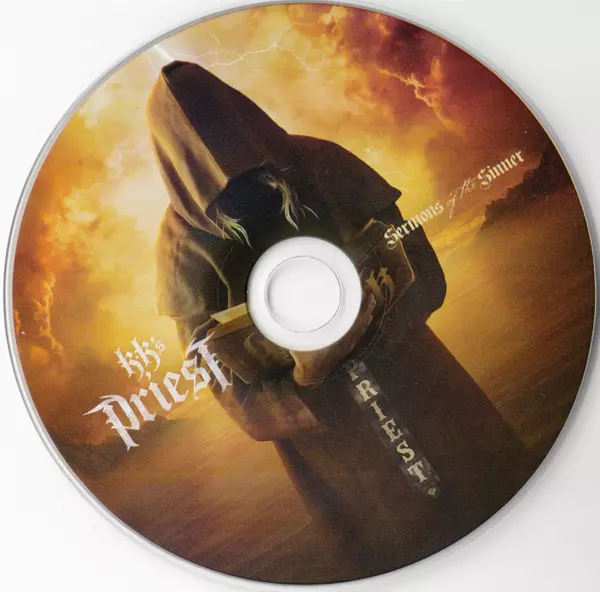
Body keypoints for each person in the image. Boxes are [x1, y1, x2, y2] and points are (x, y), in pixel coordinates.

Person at [146, 60, 532, 580]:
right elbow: (232, 393)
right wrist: (309, 377)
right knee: (397, 552)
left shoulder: (319, 163)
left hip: (420, 384)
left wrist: (367, 334)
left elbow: (420, 266)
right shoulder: (181, 249)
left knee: (502, 508)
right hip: (338, 450)